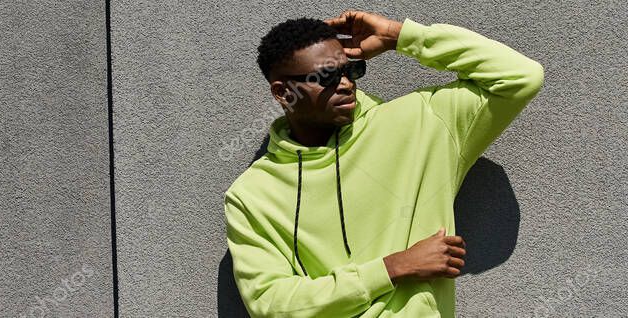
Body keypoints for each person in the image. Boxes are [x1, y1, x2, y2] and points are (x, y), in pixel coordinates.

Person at [223, 10, 544, 317]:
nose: (346, 84)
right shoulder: (252, 195)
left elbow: (520, 76)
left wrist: (398, 36)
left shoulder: (424, 122)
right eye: (326, 77)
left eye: (351, 70)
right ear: (282, 92)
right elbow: (271, 304)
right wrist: (392, 268)